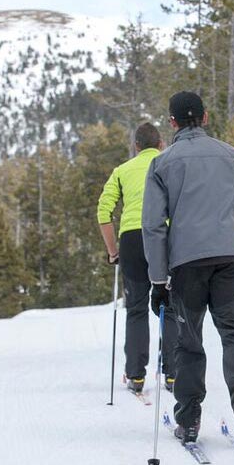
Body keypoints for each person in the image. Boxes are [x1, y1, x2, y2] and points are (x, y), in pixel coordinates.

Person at [141, 92, 234, 447]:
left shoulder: (162, 164)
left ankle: (190, 419)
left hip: (187, 263)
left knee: (189, 342)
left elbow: (153, 226)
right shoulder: (231, 156)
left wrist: (158, 281)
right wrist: (222, 225)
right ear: (205, 118)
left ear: (173, 123)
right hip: (229, 259)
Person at [97, 122, 177, 394]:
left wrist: (113, 251)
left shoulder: (122, 171)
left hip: (131, 239)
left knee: (137, 308)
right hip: (163, 236)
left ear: (136, 147)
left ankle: (136, 375)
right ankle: (172, 373)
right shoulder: (169, 164)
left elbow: (103, 212)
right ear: (161, 144)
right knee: (170, 305)